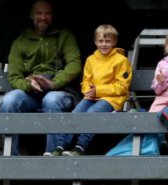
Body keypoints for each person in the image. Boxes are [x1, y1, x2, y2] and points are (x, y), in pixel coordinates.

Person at [0, 0, 82, 156]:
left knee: (50, 100)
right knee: (9, 101)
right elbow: (14, 76)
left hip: (60, 90)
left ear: (52, 16)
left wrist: (53, 83)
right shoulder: (20, 41)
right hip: (31, 93)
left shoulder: (64, 35)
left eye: (47, 13)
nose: (43, 17)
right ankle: (11, 159)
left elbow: (74, 65)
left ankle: (53, 155)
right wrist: (29, 84)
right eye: (39, 13)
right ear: (31, 15)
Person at [50, 24, 132, 157]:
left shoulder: (121, 61)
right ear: (95, 42)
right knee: (76, 113)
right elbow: (86, 81)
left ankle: (80, 147)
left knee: (92, 112)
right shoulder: (91, 59)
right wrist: (89, 90)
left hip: (112, 99)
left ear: (114, 42)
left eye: (107, 41)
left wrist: (98, 90)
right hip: (91, 97)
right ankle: (60, 146)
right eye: (100, 41)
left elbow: (122, 87)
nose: (104, 44)